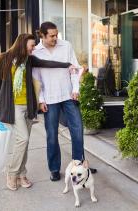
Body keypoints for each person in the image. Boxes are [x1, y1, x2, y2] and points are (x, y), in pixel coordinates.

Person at [0, 33, 75, 191]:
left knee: (24, 142)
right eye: (32, 45)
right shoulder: (4, 59)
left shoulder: (29, 60)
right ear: (22, 44)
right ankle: (12, 173)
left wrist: (67, 64)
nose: (34, 48)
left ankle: (22, 174)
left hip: (27, 107)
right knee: (23, 139)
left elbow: (47, 63)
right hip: (12, 106)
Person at [33, 22, 96, 182]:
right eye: (52, 36)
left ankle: (80, 166)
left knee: (77, 130)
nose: (55, 38)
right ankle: (54, 168)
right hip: (50, 98)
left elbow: (74, 69)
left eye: (56, 34)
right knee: (52, 135)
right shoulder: (36, 52)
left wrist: (76, 89)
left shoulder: (66, 45)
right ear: (42, 35)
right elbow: (36, 79)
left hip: (68, 96)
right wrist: (41, 100)